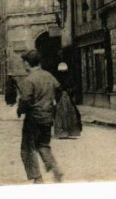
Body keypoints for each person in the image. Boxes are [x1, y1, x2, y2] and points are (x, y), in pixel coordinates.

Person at [17, 49, 63, 184]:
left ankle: (37, 178)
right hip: (47, 118)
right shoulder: (49, 76)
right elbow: (59, 90)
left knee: (28, 148)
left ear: (27, 63)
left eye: (24, 62)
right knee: (43, 145)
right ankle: (55, 169)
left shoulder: (29, 80)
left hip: (33, 119)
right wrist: (51, 105)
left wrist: (21, 110)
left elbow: (25, 100)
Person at [53, 62, 81, 139]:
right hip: (66, 97)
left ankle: (63, 132)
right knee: (69, 113)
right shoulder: (68, 77)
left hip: (63, 97)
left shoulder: (58, 78)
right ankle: (69, 131)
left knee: (61, 114)